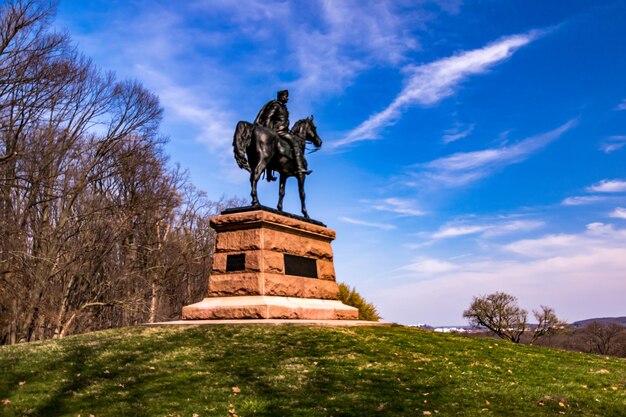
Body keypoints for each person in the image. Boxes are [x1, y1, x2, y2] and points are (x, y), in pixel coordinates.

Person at [254, 90, 311, 181]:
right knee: (295, 144)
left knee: (270, 152)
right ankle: (300, 167)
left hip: (283, 130)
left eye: (287, 96)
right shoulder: (277, 106)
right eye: (285, 96)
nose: (287, 98)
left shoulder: (282, 107)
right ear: (280, 96)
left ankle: (269, 174)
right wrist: (268, 131)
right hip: (279, 131)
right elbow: (268, 117)